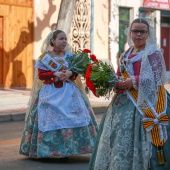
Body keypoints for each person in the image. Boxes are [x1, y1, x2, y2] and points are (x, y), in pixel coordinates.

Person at [89, 18, 170, 170]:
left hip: (148, 100)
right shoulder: (125, 54)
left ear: (148, 34)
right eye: (135, 31)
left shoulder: (153, 52)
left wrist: (133, 81)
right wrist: (114, 81)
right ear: (130, 33)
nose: (138, 35)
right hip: (126, 98)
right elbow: (120, 74)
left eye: (142, 32)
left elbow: (158, 77)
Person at [19, 30, 98, 158]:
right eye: (61, 39)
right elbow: (41, 75)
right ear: (53, 41)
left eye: (65, 39)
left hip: (68, 91)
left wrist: (70, 73)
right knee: (49, 118)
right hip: (50, 91)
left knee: (74, 116)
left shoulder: (69, 57)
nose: (64, 41)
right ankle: (49, 150)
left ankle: (69, 148)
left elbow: (76, 73)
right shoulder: (45, 57)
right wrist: (53, 73)